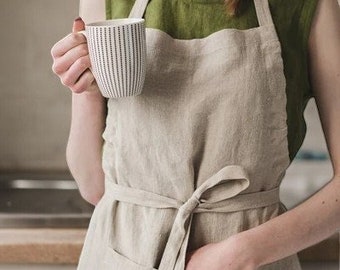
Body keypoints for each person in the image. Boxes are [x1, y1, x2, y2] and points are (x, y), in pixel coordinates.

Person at [51, 0, 340, 269]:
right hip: (122, 254)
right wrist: (86, 89)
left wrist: (244, 252)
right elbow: (93, 186)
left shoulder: (307, 5)